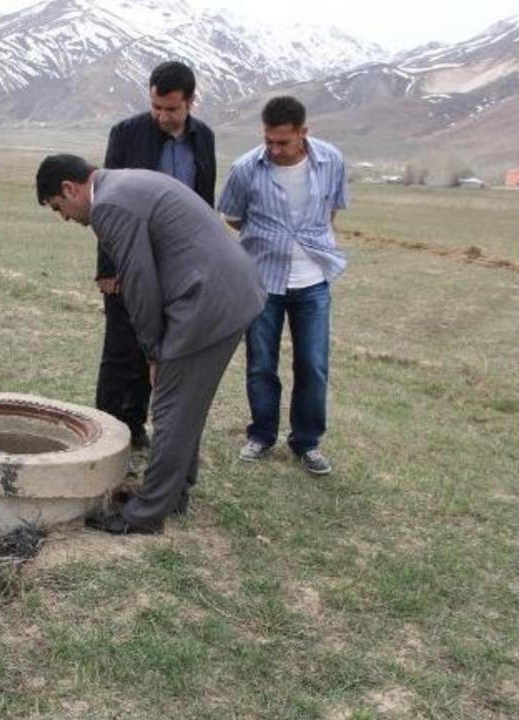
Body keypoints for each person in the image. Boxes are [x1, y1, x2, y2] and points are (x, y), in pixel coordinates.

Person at [36, 154, 265, 533]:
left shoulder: (108, 205)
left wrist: (154, 351)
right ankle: (174, 493)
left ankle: (145, 513)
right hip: (229, 292)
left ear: (69, 188)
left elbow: (138, 283)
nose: (65, 218)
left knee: (171, 409)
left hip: (206, 300)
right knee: (186, 405)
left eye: (60, 208)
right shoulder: (125, 181)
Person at [217, 96, 348, 475]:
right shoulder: (245, 168)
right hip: (262, 282)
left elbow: (332, 208)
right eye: (268, 141)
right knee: (260, 364)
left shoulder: (331, 161)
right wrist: (270, 241)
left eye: (283, 142)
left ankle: (306, 443)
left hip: (313, 282)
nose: (274, 149)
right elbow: (234, 217)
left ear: (303, 133)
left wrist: (306, 241)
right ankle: (261, 435)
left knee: (313, 364)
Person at [95, 61, 217, 450]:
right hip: (130, 256)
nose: (163, 116)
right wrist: (108, 267)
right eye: (156, 107)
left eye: (172, 109)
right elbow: (106, 204)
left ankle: (135, 424)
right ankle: (106, 433)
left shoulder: (205, 139)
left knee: (161, 347)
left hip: (178, 264)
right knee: (120, 349)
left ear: (190, 103)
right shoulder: (127, 134)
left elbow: (204, 205)